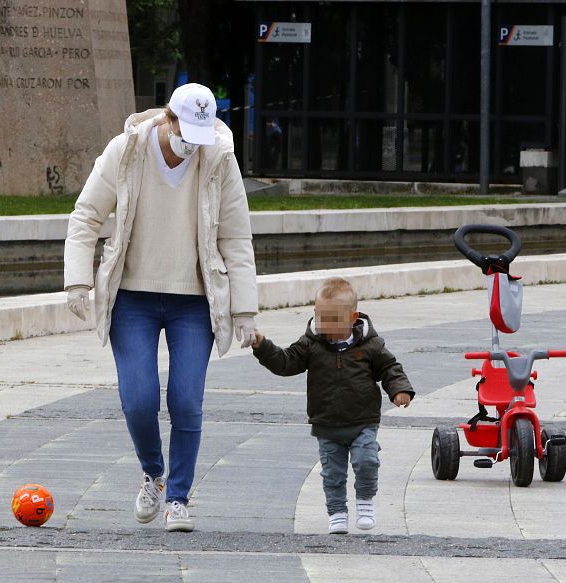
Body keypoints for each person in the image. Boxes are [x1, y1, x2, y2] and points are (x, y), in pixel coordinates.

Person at [63, 83, 258, 533]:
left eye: (198, 135)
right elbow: (86, 216)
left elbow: (236, 237)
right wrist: (77, 281)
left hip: (195, 300)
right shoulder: (126, 150)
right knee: (139, 399)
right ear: (167, 119)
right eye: (184, 131)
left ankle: (179, 498)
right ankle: (153, 472)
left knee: (186, 401)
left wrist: (244, 310)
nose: (190, 143)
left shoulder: (219, 158)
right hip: (133, 296)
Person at [250, 277, 414, 534]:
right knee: (332, 473)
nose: (326, 325)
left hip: (363, 420)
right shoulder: (310, 344)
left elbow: (390, 368)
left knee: (367, 461)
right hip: (326, 423)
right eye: (321, 318)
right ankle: (337, 512)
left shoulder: (370, 345)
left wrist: (399, 389)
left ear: (352, 317)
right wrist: (263, 347)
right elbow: (286, 362)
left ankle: (365, 500)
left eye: (334, 319)